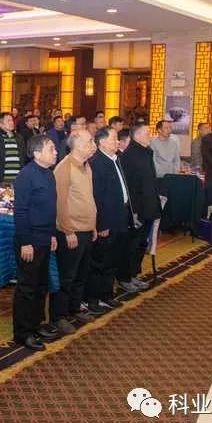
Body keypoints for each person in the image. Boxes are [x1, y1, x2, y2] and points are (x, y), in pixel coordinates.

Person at [12, 135, 59, 352]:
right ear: (37, 153)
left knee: (41, 286)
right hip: (30, 240)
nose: (55, 152)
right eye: (51, 149)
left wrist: (52, 235)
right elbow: (20, 212)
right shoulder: (26, 176)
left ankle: (36, 324)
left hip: (45, 238)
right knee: (27, 288)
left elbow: (50, 209)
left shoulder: (49, 174)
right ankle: (23, 333)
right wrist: (26, 242)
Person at [50, 130, 97, 336]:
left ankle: (74, 308)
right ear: (77, 145)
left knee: (80, 274)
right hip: (71, 231)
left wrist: (93, 225)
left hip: (86, 229)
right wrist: (68, 231)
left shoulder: (87, 166)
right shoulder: (64, 167)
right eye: (89, 141)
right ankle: (58, 316)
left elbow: (88, 198)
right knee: (66, 276)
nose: (93, 144)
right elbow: (60, 203)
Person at [86, 128, 131, 315]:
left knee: (113, 258)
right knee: (100, 262)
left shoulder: (115, 159)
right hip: (106, 221)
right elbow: (97, 197)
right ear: (102, 142)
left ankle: (106, 294)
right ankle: (93, 298)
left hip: (119, 216)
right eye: (114, 139)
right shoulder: (97, 163)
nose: (118, 142)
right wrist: (101, 224)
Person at [119, 123, 161, 293]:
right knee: (132, 245)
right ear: (136, 136)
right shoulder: (129, 155)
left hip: (149, 205)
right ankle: (124, 277)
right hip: (137, 209)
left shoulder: (147, 151)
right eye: (147, 133)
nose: (150, 135)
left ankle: (134, 274)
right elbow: (130, 187)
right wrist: (134, 211)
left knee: (142, 244)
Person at [0, 112, 26, 185]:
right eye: (8, 121)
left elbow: (23, 158)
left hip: (19, 179)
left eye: (12, 120)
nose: (11, 122)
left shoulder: (19, 138)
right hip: (3, 180)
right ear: (0, 124)